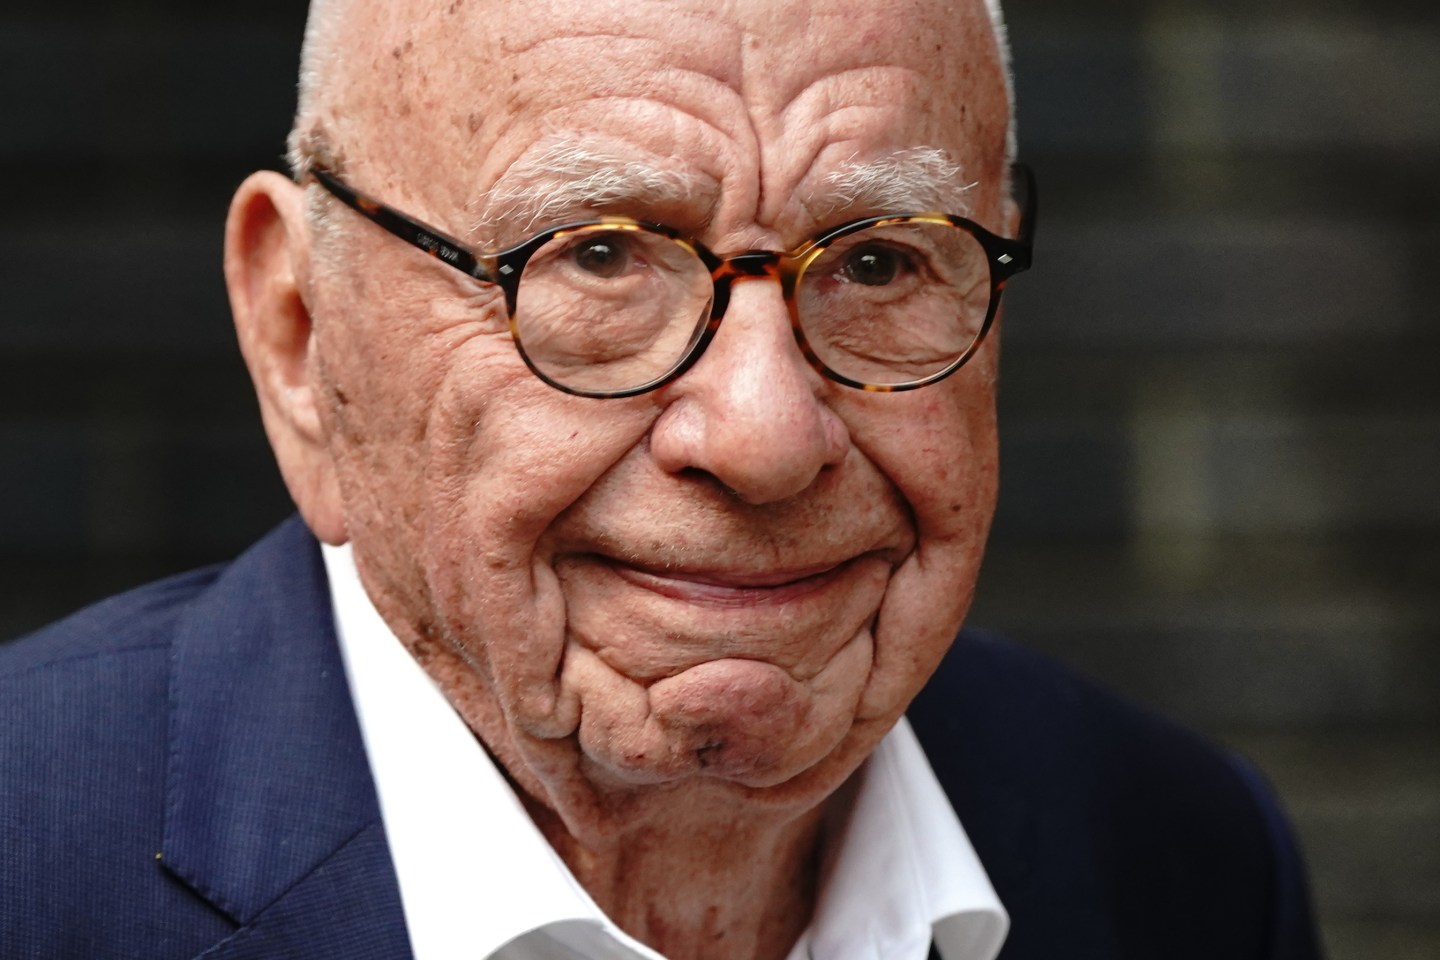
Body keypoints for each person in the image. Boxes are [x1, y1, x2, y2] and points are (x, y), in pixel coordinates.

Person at [0, 0, 1323, 958]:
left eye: (877, 262)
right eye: (598, 256)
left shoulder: (1178, 857)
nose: (765, 437)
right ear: (301, 336)